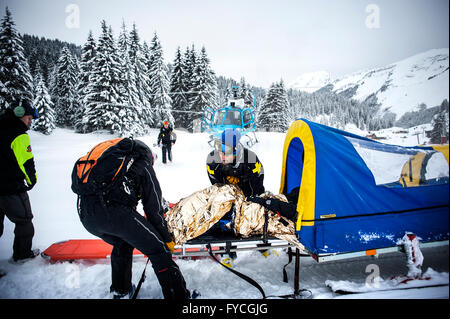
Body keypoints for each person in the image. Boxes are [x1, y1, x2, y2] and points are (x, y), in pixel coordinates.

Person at [76, 139, 191, 299]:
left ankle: (120, 291)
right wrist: (165, 237)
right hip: (114, 213)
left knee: (122, 243)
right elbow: (153, 208)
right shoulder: (143, 165)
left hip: (86, 215)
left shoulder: (113, 162)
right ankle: (179, 297)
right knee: (159, 249)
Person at [0, 99, 40, 263]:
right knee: (24, 220)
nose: (30, 122)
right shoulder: (19, 135)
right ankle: (22, 255)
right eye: (29, 118)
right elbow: (26, 162)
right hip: (11, 188)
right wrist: (32, 180)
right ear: (18, 114)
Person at [206, 129, 265, 198]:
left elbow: (258, 190)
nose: (222, 157)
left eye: (226, 154)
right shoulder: (212, 160)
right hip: (226, 197)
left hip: (248, 197)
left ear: (236, 152)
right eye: (220, 152)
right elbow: (217, 189)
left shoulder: (251, 159)